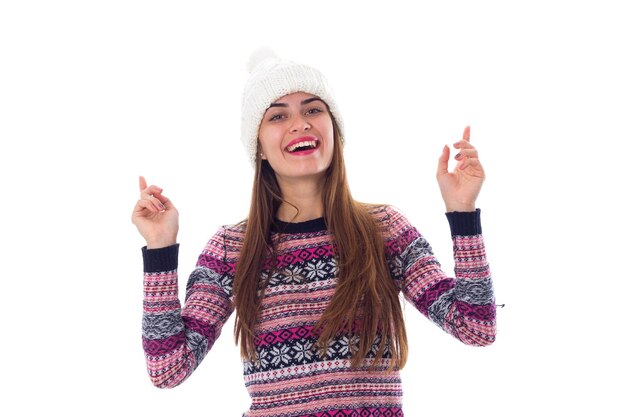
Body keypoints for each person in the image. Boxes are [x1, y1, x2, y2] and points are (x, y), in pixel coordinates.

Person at [131, 50, 497, 417]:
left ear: (333, 129)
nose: (299, 124)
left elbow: (476, 327)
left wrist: (462, 213)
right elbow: (168, 369)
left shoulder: (384, 229)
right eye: (277, 115)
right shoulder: (232, 248)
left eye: (312, 110)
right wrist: (160, 249)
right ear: (257, 147)